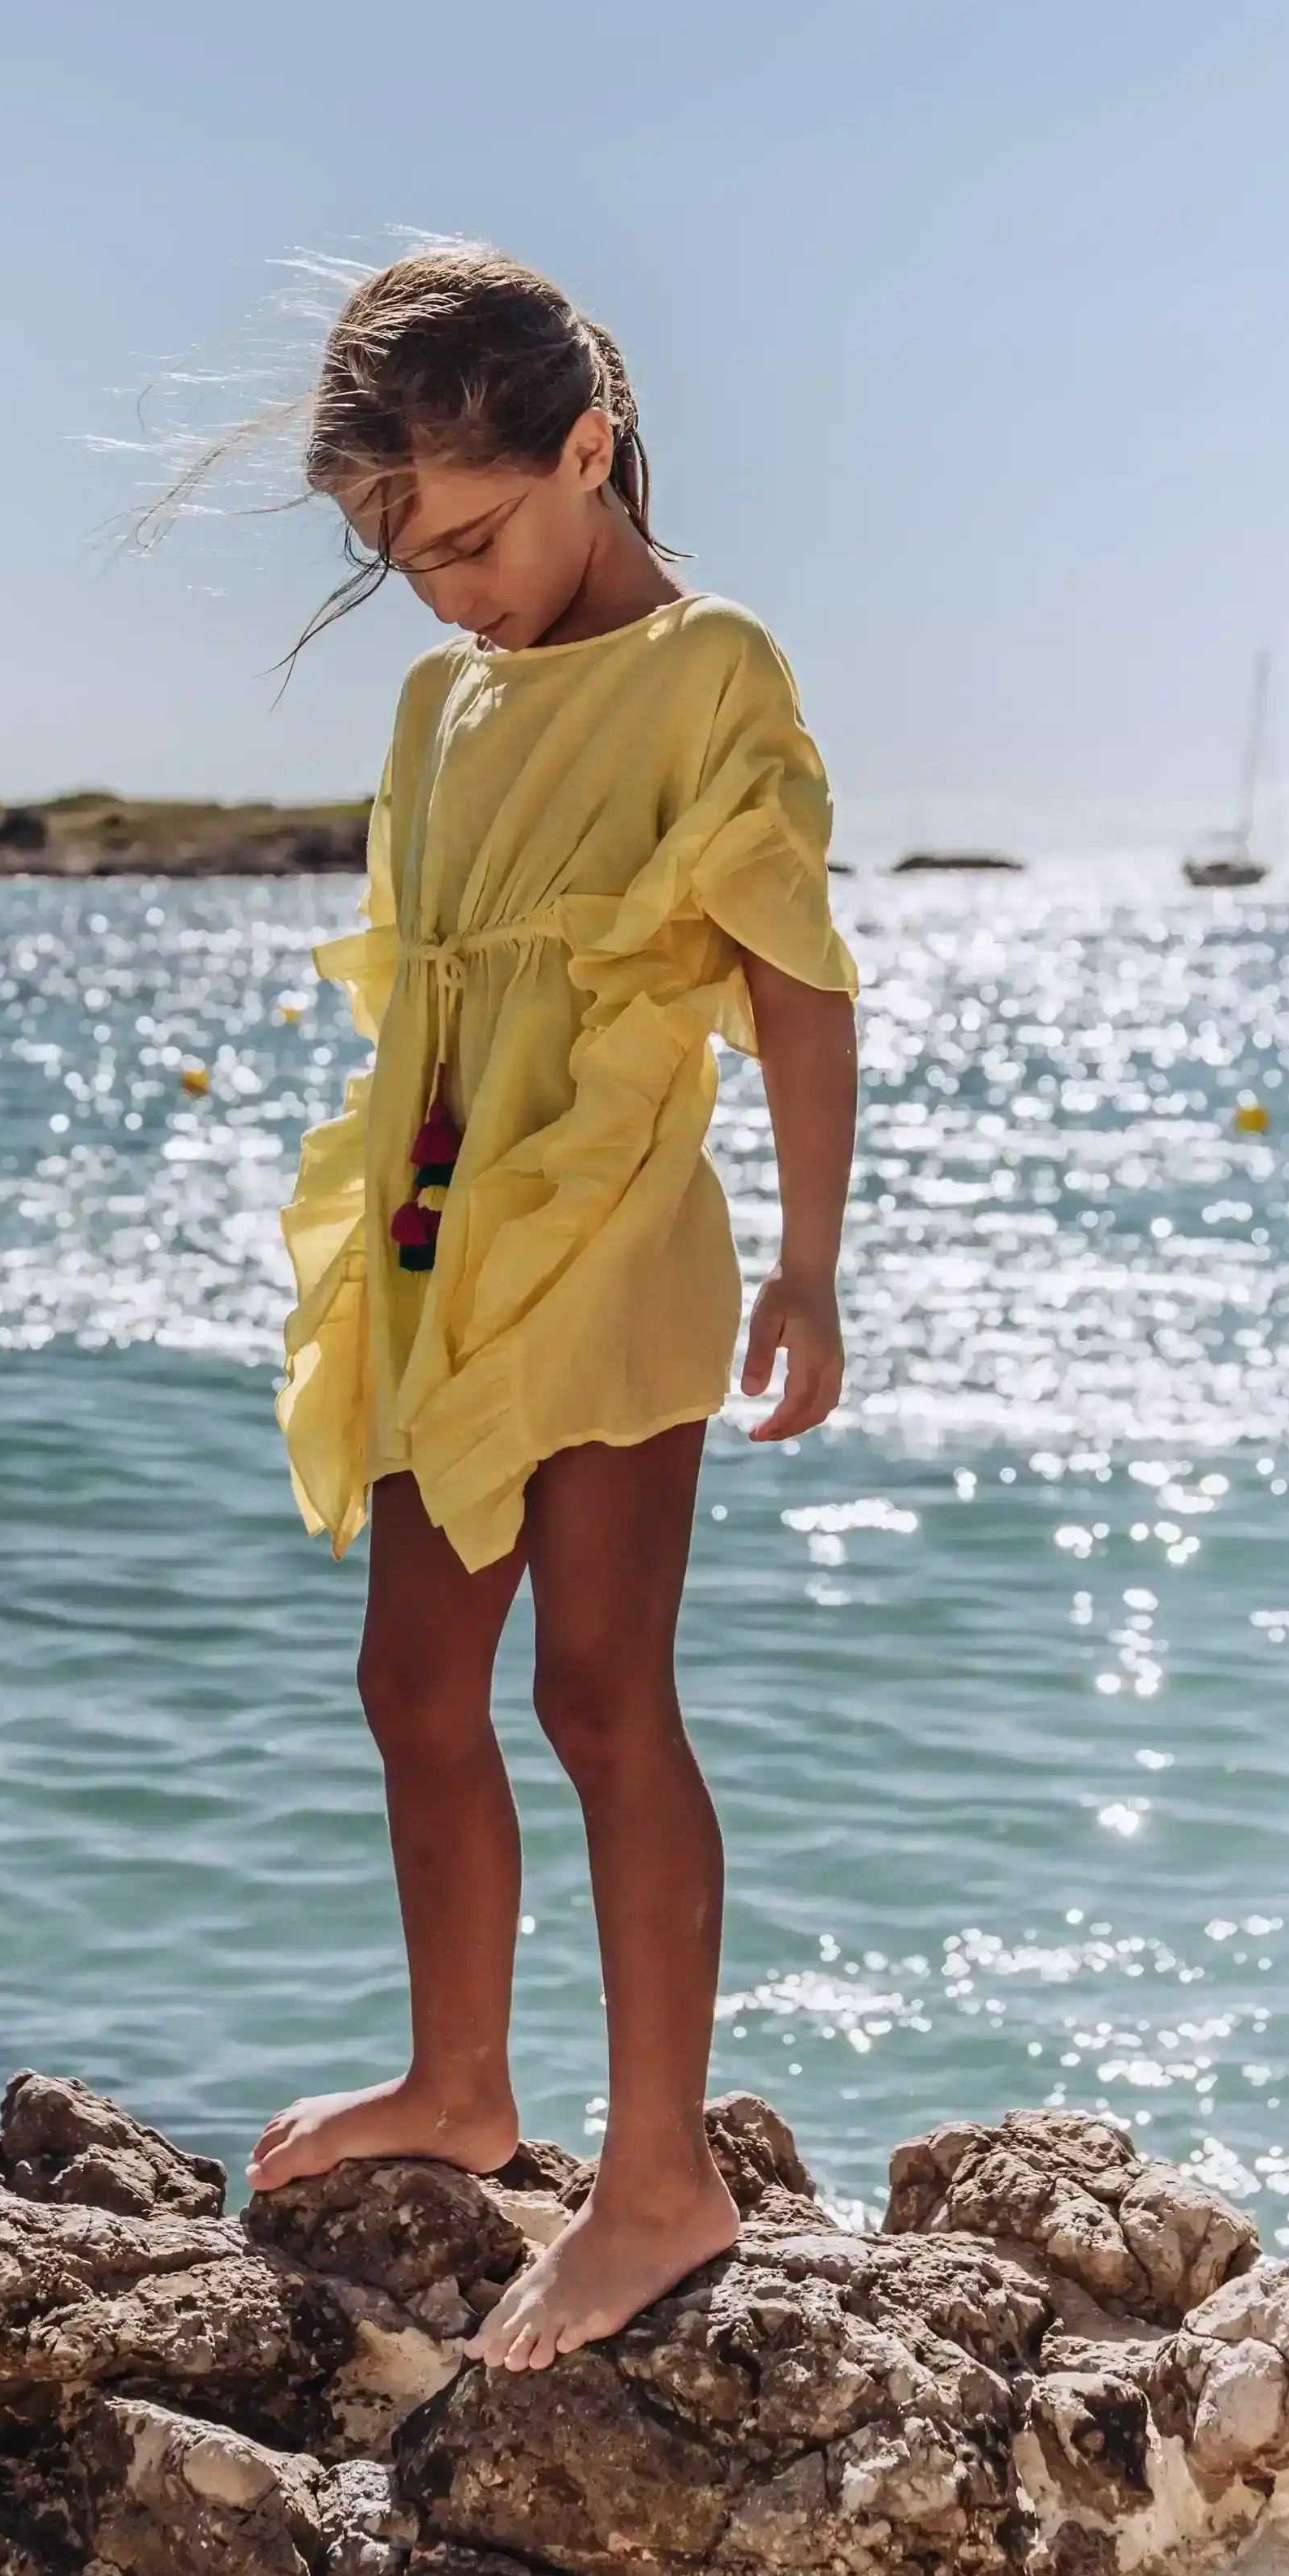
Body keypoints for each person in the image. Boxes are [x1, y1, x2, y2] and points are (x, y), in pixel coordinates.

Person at [241, 246, 860, 2370]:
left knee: (601, 1702)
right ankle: (459, 2086)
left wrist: (806, 1263)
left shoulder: (710, 673)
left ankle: (660, 2178)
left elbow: (793, 981)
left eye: (473, 538)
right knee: (413, 1686)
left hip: (612, 1254)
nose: (446, 591)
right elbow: (434, 1001)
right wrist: (389, 1251)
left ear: (587, 448)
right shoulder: (442, 705)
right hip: (449, 1264)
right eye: (406, 559)